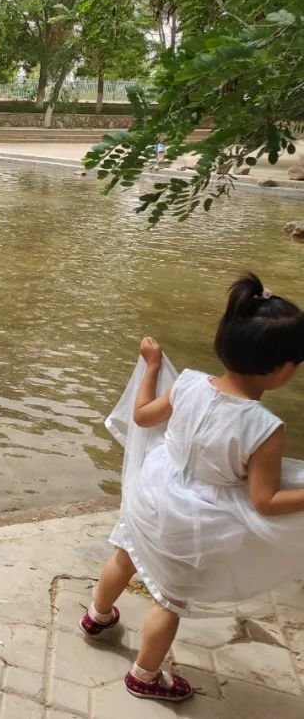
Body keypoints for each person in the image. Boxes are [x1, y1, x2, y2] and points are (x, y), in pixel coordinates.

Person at [85, 273, 304, 703]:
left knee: (125, 553)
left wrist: (152, 367)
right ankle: (145, 676)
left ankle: (97, 616)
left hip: (153, 490)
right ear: (281, 370)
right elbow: (265, 501)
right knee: (169, 601)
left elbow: (143, 416)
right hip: (194, 519)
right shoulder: (264, 427)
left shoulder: (186, 383)